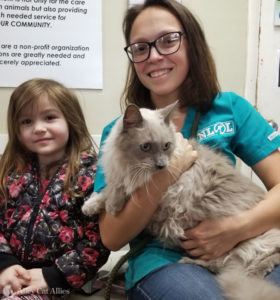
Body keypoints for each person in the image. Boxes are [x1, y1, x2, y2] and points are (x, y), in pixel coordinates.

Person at [94, 0, 280, 299]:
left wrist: (234, 229)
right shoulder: (119, 133)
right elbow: (112, 237)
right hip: (164, 258)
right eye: (140, 48)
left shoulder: (231, 108)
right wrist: (170, 171)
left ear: (192, 44)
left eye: (168, 41)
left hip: (250, 241)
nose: (153, 56)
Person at [0, 78, 110, 300]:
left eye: (49, 117)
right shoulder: (9, 169)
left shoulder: (91, 174)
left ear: (70, 120)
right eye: (27, 121)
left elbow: (96, 241)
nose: (39, 128)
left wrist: (54, 276)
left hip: (53, 282)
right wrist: (4, 264)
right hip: (7, 270)